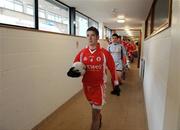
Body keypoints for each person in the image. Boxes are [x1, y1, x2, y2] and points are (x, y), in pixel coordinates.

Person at [67, 27, 120, 130]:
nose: (90, 38)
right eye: (88, 35)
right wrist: (73, 72)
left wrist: (116, 83)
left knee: (94, 115)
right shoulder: (82, 53)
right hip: (86, 87)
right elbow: (75, 65)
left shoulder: (104, 53)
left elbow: (112, 68)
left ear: (97, 37)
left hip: (98, 87)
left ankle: (96, 121)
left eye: (92, 35)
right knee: (94, 109)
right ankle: (99, 117)